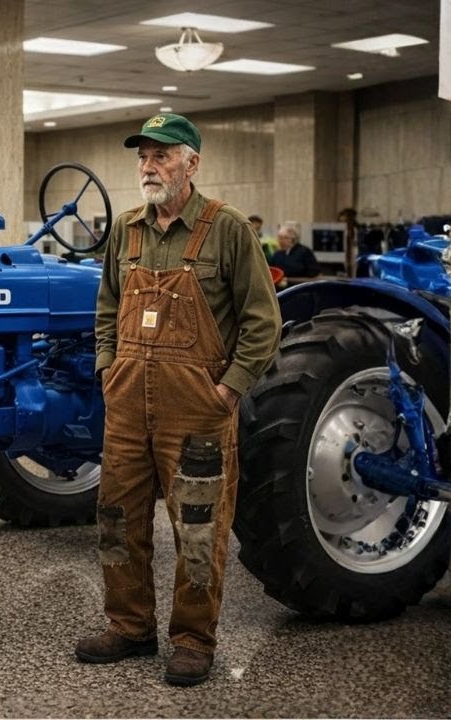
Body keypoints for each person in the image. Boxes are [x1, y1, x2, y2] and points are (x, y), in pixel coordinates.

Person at [80, 113, 279, 686]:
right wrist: (106, 368)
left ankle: (192, 639)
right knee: (117, 516)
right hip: (126, 405)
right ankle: (129, 626)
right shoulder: (127, 230)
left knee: (198, 527)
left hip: (196, 410)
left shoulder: (227, 229)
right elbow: (106, 307)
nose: (149, 166)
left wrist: (227, 389)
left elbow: (263, 323)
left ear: (191, 162)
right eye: (143, 155)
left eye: (162, 155)